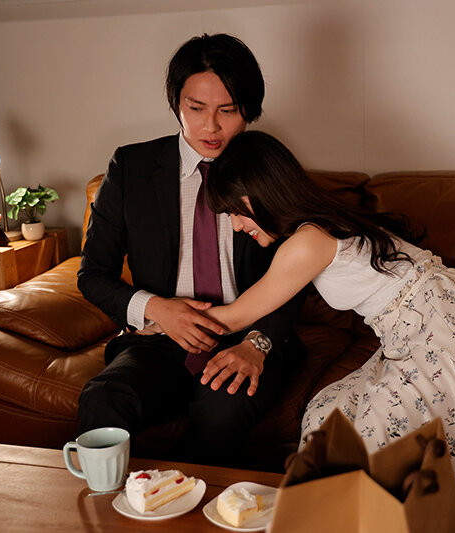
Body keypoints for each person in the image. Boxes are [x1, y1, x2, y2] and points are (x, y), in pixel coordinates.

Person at [201, 130, 455, 492]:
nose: (236, 225)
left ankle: (380, 513)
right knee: (327, 417)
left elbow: (235, 318)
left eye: (235, 210)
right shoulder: (321, 222)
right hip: (444, 316)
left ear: (264, 189)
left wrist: (158, 316)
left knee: (376, 433)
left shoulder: (307, 241)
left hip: (440, 328)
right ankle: (338, 510)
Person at [77, 34, 305, 466]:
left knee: (221, 410)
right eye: (196, 108)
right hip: (161, 337)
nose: (210, 128)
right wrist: (157, 309)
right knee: (104, 397)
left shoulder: (268, 170)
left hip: (247, 335)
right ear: (176, 103)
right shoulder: (131, 168)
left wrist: (258, 344)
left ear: (249, 110)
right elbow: (92, 275)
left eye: (228, 110)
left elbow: (299, 272)